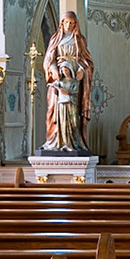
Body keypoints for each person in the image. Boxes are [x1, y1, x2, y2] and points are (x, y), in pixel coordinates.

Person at [41, 12, 94, 154]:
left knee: (72, 112)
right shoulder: (55, 39)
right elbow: (48, 59)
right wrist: (53, 69)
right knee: (54, 111)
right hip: (58, 80)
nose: (69, 25)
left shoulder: (79, 40)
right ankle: (55, 141)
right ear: (62, 23)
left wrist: (82, 69)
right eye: (66, 22)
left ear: (75, 24)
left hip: (74, 80)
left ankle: (72, 141)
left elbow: (87, 60)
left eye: (72, 23)